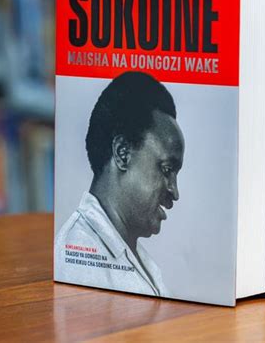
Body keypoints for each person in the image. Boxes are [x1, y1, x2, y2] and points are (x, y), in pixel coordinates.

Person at [54, 71, 185, 297]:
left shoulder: (136, 257)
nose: (174, 192)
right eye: (166, 169)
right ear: (122, 154)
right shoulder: (79, 257)